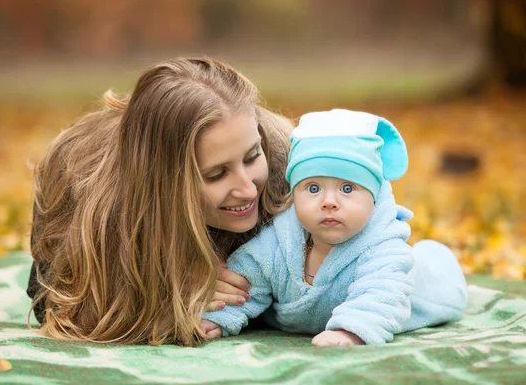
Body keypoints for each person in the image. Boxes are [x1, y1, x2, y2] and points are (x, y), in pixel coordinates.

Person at [26, 57, 295, 345]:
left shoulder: (290, 161)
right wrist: (172, 291)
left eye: (253, 157)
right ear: (164, 185)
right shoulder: (94, 203)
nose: (248, 190)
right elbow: (55, 305)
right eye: (216, 174)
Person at [201, 109, 468, 346]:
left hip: (425, 292)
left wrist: (350, 331)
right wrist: (219, 318)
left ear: (373, 197)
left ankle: (437, 256)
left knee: (435, 271)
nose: (329, 202)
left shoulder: (384, 248)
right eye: (313, 188)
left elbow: (383, 295)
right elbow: (246, 284)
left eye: (348, 188)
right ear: (295, 193)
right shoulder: (281, 240)